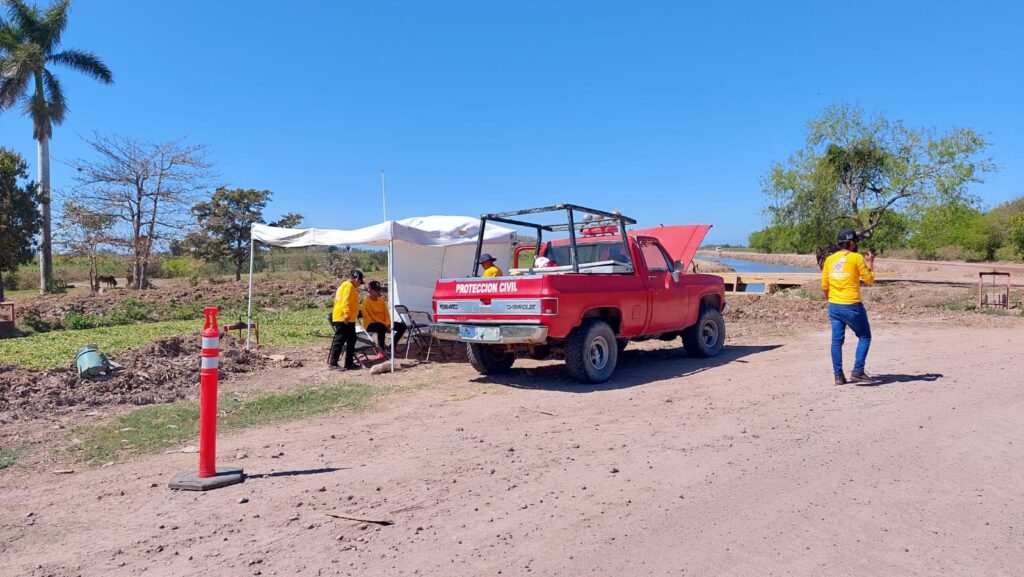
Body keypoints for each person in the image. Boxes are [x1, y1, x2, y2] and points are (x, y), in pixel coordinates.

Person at [821, 229, 876, 385]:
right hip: (852, 305)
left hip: (834, 305)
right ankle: (858, 371)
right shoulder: (856, 258)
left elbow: (825, 285)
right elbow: (869, 280)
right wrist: (870, 263)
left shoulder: (829, 260)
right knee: (865, 336)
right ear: (852, 243)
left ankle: (838, 376)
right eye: (855, 242)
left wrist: (831, 301)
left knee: (836, 341)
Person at [328, 270, 364, 370]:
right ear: (357, 279)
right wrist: (347, 314)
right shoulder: (348, 286)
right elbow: (345, 301)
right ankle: (333, 364)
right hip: (344, 318)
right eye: (360, 282)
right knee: (340, 339)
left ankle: (349, 363)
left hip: (348, 318)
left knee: (352, 339)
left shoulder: (345, 285)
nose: (359, 285)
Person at [361, 280, 406, 359]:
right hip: (370, 324)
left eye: (379, 289)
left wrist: (388, 324)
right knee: (381, 327)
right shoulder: (366, 302)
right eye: (377, 290)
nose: (379, 292)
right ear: (370, 291)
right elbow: (372, 317)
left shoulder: (381, 301)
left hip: (384, 323)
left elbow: (387, 314)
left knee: (402, 326)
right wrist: (386, 325)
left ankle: (392, 347)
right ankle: (381, 350)